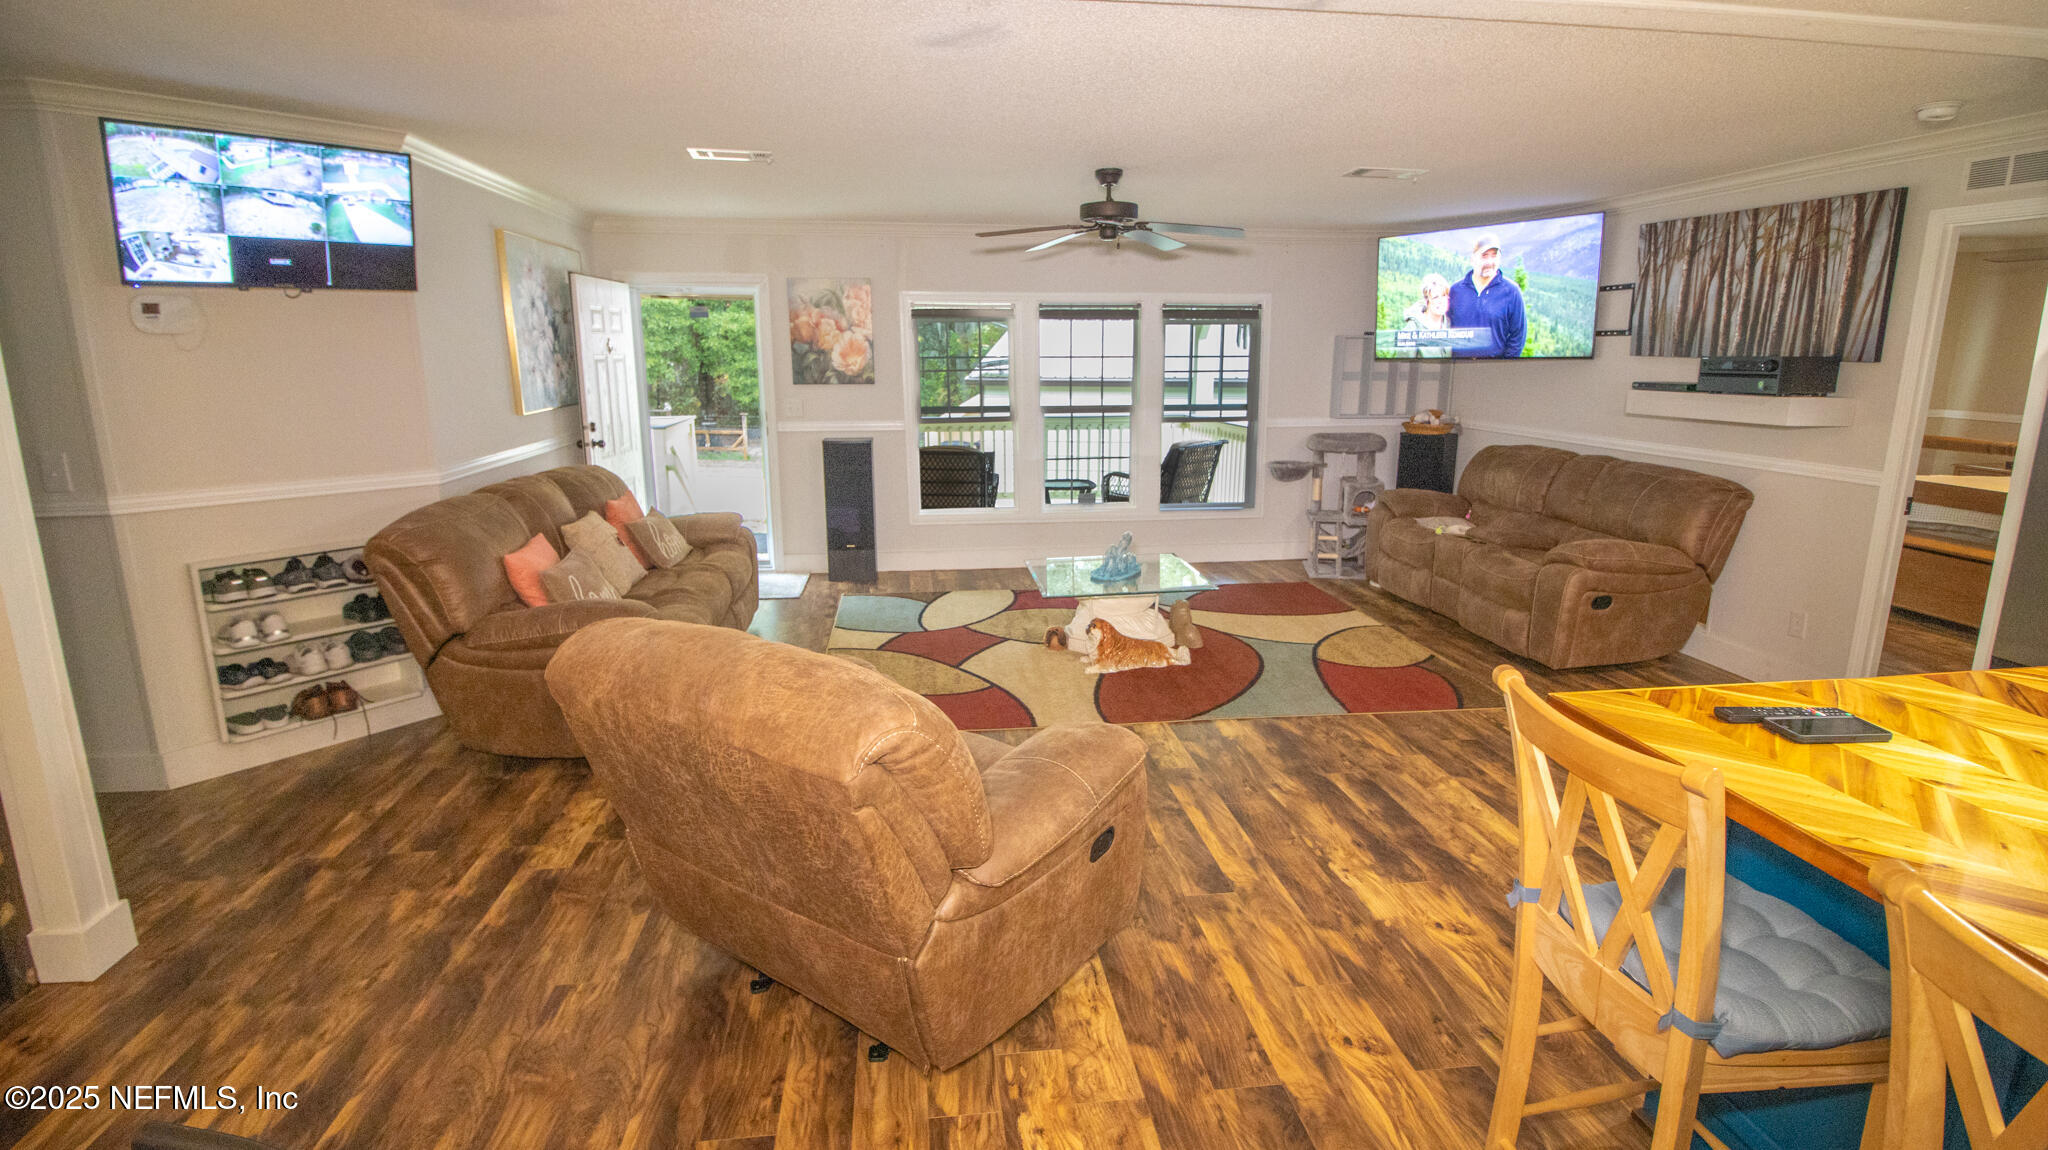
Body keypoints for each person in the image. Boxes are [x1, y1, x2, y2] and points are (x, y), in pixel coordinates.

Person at [1446, 233, 1526, 358]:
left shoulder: (1512, 291)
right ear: (1473, 259)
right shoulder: (1456, 290)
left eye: (1494, 256)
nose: (1490, 262)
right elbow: (1442, 325)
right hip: (1458, 369)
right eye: (1484, 256)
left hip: (1493, 371)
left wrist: (1502, 367)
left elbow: (1518, 337)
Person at [1398, 273, 1452, 357]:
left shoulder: (1448, 325)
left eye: (1444, 296)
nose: (1441, 301)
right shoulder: (1413, 328)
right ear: (1427, 301)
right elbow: (1403, 365)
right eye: (1435, 297)